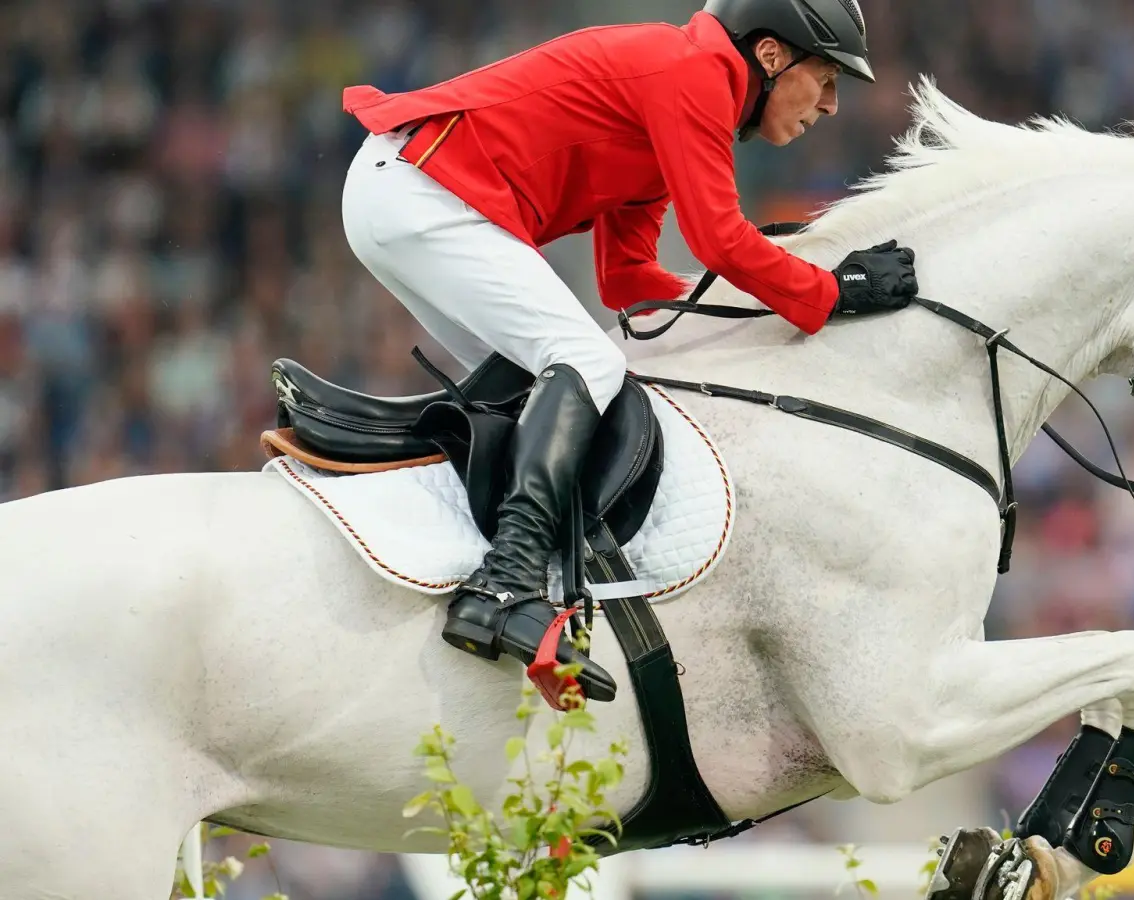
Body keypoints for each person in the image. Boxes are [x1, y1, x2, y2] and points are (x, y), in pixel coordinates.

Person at [338, 0, 920, 703]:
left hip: (406, 190)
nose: (829, 105)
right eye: (826, 77)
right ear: (770, 56)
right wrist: (830, 290)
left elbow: (629, 279)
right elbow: (719, 240)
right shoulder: (694, 72)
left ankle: (509, 594)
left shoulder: (686, 85)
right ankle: (505, 585)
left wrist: (773, 304)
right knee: (587, 365)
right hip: (423, 189)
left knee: (544, 390)